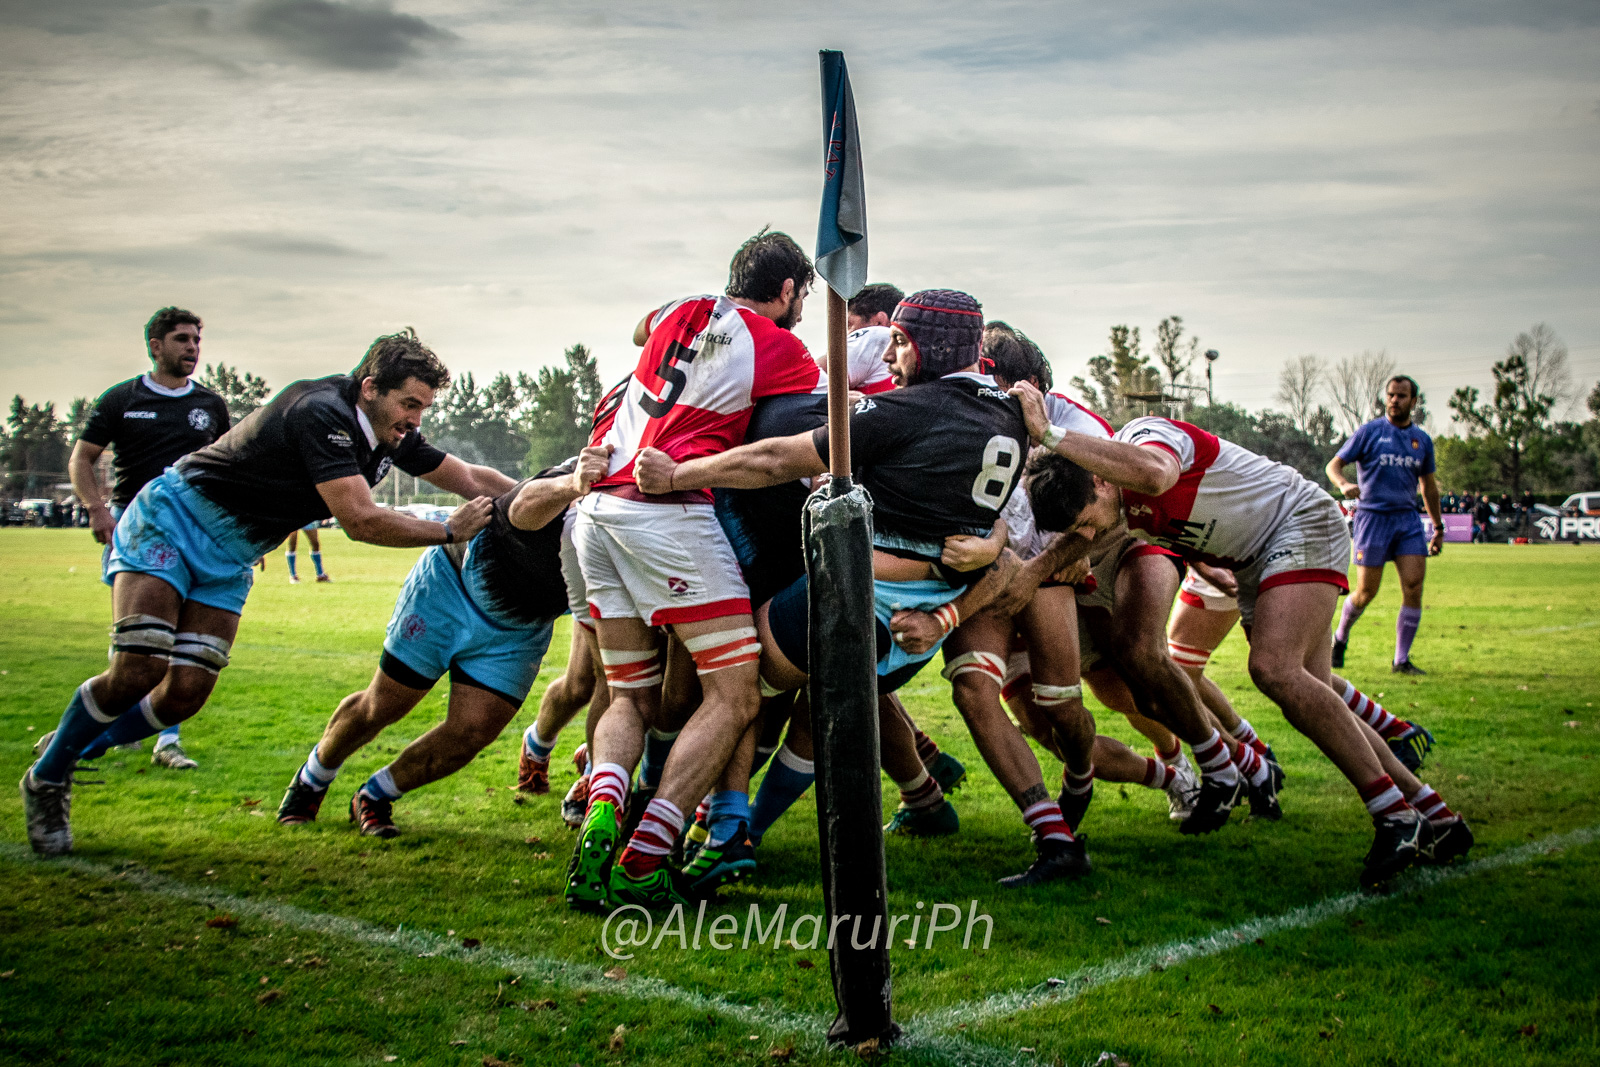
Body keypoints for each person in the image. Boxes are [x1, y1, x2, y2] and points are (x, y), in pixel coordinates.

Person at [637, 290, 1090, 889]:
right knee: (820, 710)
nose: (894, 357)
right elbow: (987, 525)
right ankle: (744, 828)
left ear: (928, 345)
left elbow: (775, 458)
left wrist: (679, 473)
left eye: (902, 342)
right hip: (920, 627)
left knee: (739, 685)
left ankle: (712, 828)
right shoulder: (1009, 418)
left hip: (859, 600)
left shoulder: (908, 411)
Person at [21, 329, 505, 857]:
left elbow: (469, 476)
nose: (416, 419)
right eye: (410, 403)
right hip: (174, 520)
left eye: (424, 408)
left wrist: (557, 489)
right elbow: (360, 520)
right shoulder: (322, 412)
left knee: (186, 694)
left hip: (231, 554)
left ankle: (71, 748)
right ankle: (47, 780)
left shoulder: (390, 433)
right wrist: (449, 530)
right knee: (141, 667)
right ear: (370, 387)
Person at [1015, 391, 1472, 887]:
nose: (1088, 532)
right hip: (1257, 558)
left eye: (1086, 518)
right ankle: (1433, 814)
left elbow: (1157, 476)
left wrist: (1051, 435)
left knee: (1273, 670)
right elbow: (1088, 539)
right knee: (1315, 692)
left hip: (1297, 524)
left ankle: (1394, 817)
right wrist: (1024, 576)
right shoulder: (1111, 499)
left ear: (1101, 479)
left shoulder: (1147, 439)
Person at [564, 230, 827, 913]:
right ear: (790, 290)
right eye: (802, 297)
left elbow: (640, 325)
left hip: (596, 512)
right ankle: (648, 854)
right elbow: (806, 431)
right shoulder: (780, 343)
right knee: (737, 694)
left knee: (629, 697)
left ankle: (602, 811)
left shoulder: (677, 308)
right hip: (669, 512)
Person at [277, 448, 611, 835]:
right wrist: (574, 484)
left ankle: (375, 795)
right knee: (384, 703)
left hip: (521, 625)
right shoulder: (605, 461)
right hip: (453, 583)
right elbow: (524, 506)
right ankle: (311, 780)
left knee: (472, 732)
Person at [62, 307, 231, 770]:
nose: (192, 348)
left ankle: (165, 740)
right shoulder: (121, 399)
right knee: (137, 639)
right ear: (155, 346)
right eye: (181, 339)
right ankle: (111, 722)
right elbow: (82, 458)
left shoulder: (211, 406)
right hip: (136, 529)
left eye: (196, 340)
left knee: (175, 640)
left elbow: (232, 470)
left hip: (196, 533)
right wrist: (96, 508)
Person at [1326, 375, 1442, 674]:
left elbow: (1428, 487)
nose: (1394, 400)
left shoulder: (1422, 441)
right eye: (1391, 395)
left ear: (1413, 401)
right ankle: (1339, 639)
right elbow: (1334, 464)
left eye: (1401, 396)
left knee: (1414, 586)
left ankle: (1401, 660)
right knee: (1366, 592)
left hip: (1406, 520)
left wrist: (1438, 526)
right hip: (1372, 519)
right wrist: (1343, 483)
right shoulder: (1370, 432)